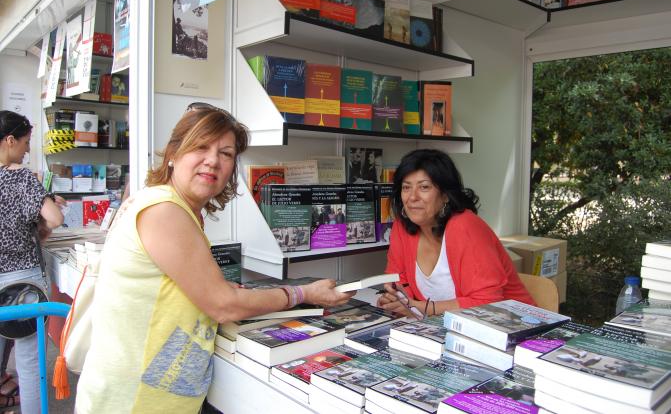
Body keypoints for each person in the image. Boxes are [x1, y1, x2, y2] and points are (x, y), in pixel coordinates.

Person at [75, 104, 353, 413]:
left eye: (226, 153)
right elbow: (224, 306)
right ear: (173, 153)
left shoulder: (168, 204)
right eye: (201, 146)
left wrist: (217, 289)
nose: (213, 160)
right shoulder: (165, 211)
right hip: (135, 401)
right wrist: (302, 293)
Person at [377, 149, 535, 318]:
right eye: (406, 187)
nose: (412, 197)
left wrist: (418, 307)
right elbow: (397, 279)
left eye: (424, 187)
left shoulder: (465, 227)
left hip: (512, 324)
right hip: (447, 326)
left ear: (445, 195)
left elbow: (488, 303)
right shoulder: (402, 226)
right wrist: (396, 300)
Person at [0, 110, 65, 414]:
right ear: (10, 140)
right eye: (26, 142)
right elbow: (55, 218)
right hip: (23, 283)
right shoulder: (21, 177)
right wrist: (45, 213)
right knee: (30, 365)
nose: (27, 150)